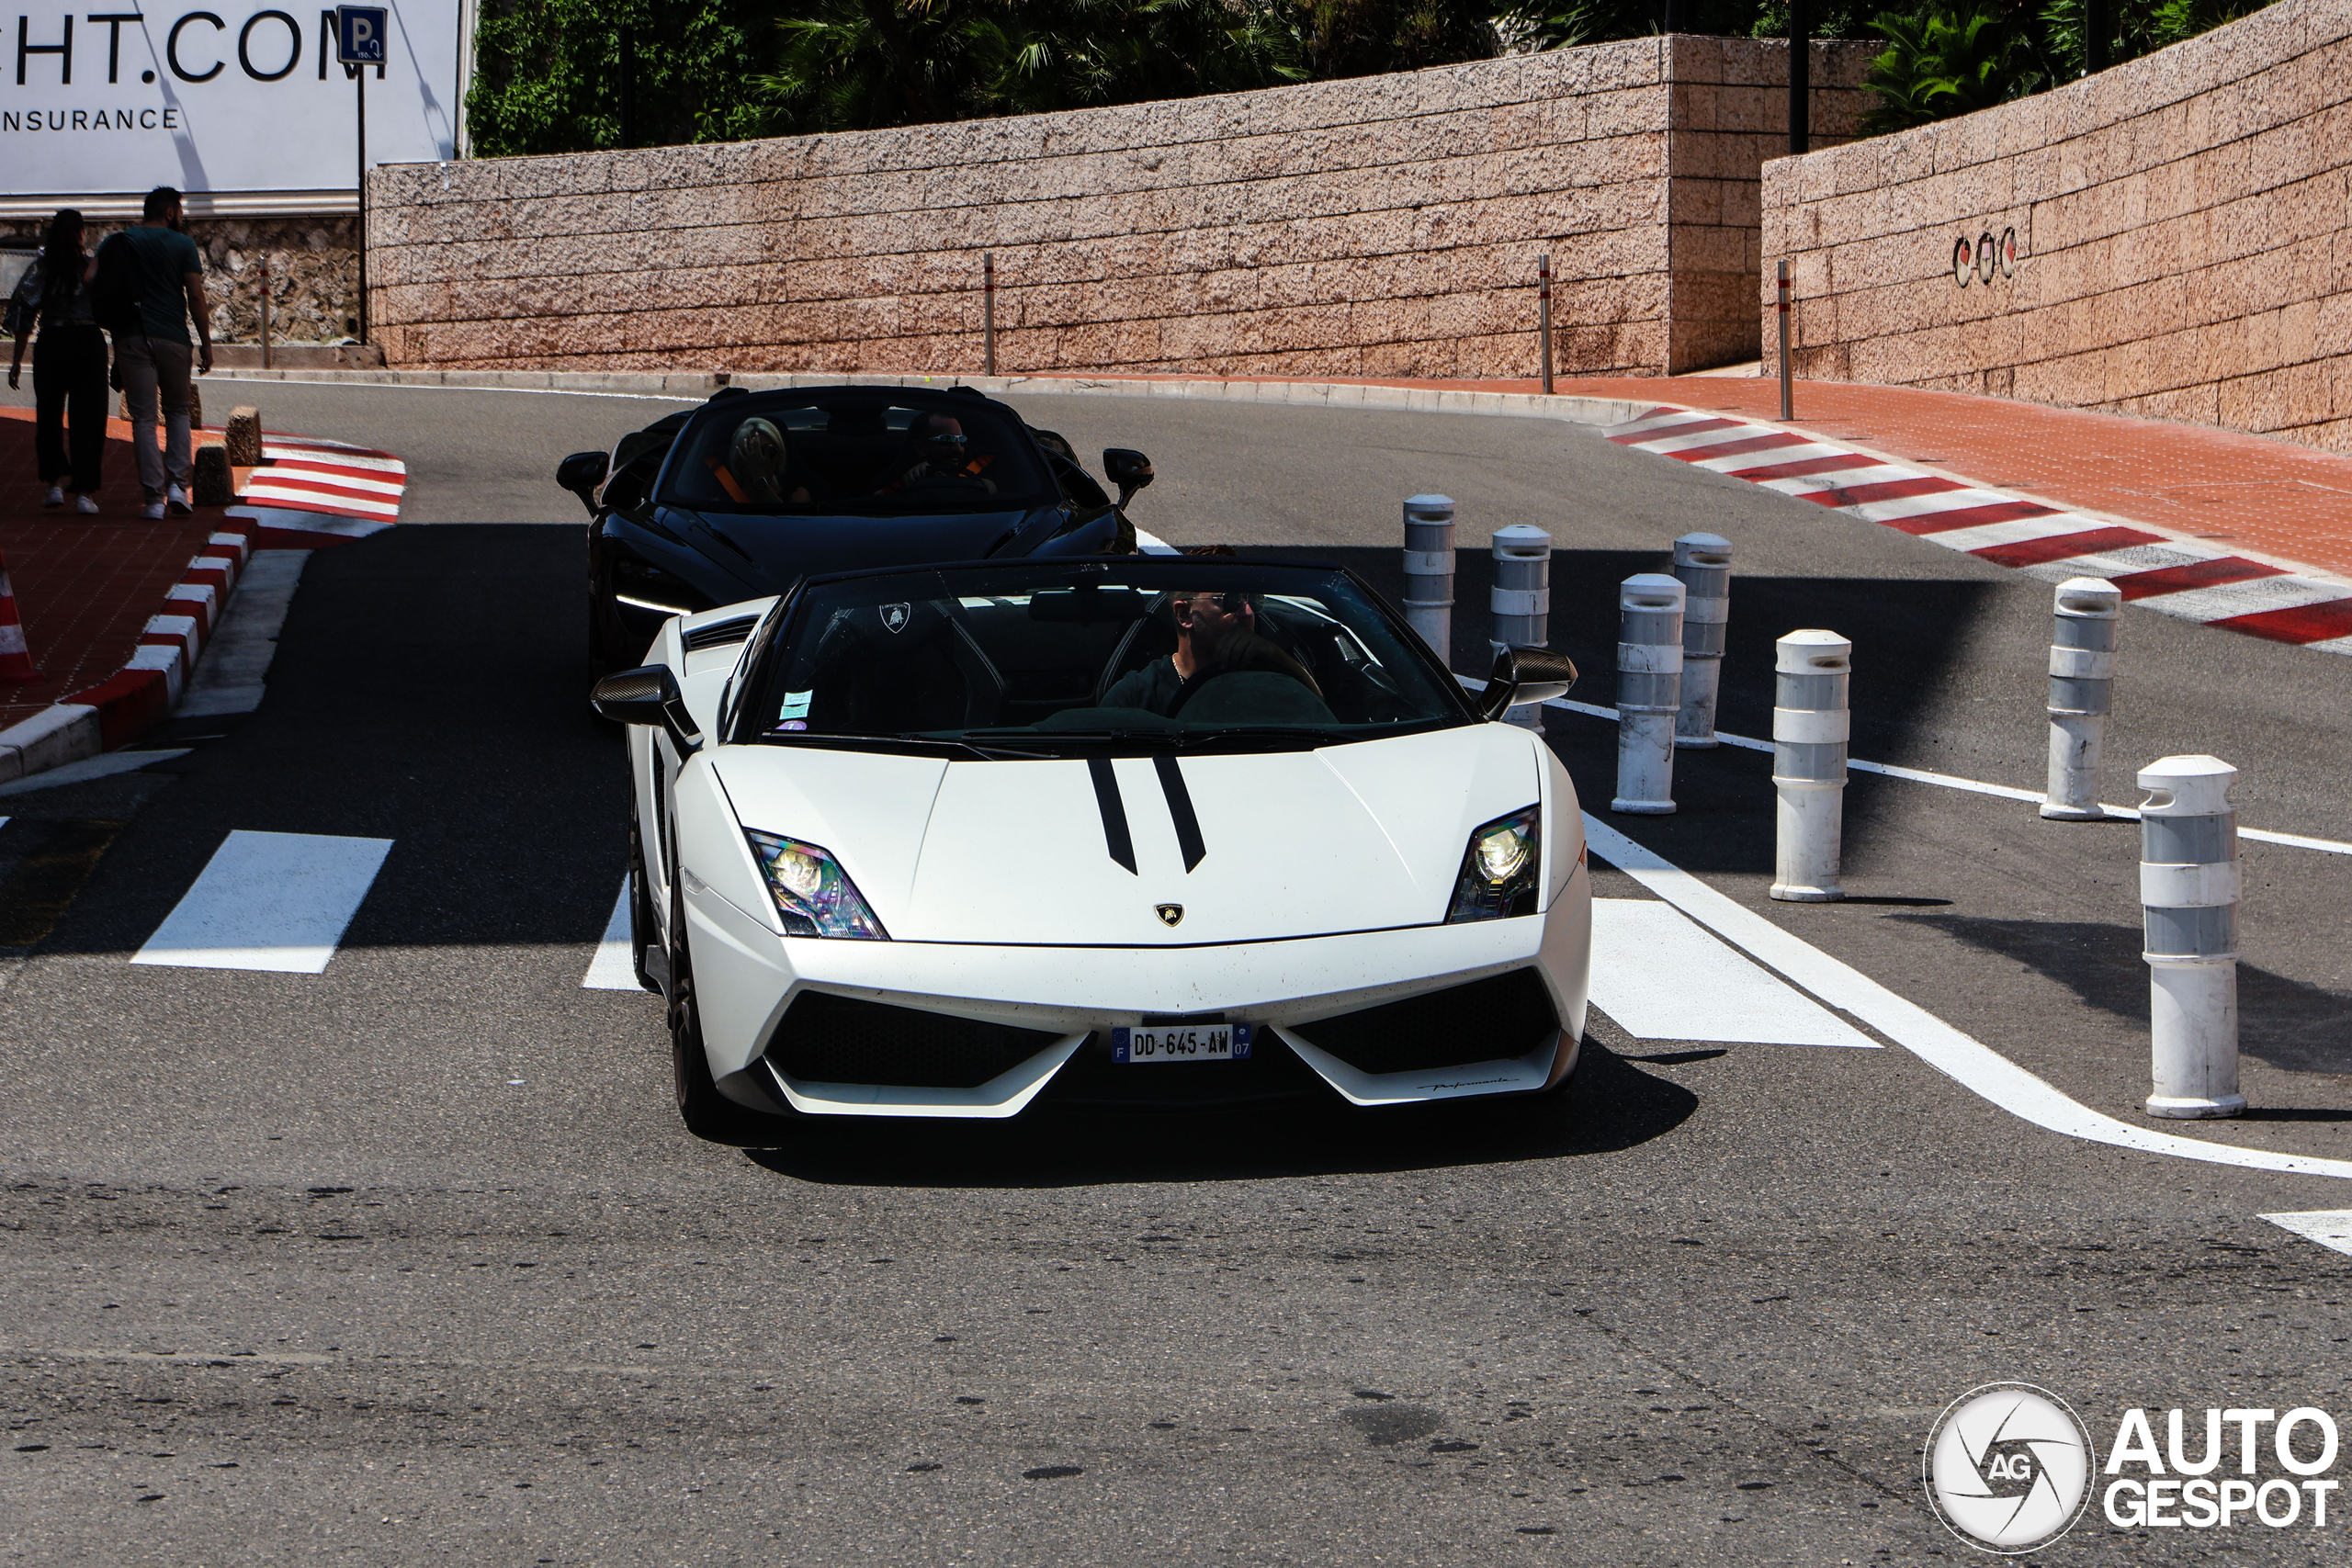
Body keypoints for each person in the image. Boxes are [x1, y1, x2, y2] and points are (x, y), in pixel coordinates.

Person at [94, 186, 212, 521]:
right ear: (171, 212)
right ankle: (177, 487)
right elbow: (196, 297)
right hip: (173, 338)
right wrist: (205, 342)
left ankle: (152, 500)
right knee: (177, 412)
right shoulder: (183, 245)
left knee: (144, 420)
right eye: (181, 210)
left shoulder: (120, 242)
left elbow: (91, 278)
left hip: (131, 337)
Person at [6, 209, 107, 514]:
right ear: (80, 234)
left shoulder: (42, 268)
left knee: (49, 415)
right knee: (88, 417)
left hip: (52, 341)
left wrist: (16, 361)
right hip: (88, 341)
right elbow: (109, 305)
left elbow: (23, 312)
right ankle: (85, 492)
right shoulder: (90, 267)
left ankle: (52, 485)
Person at [1102, 586, 1321, 716]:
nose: (1247, 613)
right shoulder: (1135, 698)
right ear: (1185, 615)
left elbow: (1322, 716)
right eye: (1230, 601)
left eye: (1251, 599)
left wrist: (1276, 656)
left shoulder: (1269, 682)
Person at [878, 413, 995, 495]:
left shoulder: (975, 472)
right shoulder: (897, 483)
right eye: (946, 440)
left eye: (961, 440)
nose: (958, 449)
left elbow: (994, 490)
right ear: (921, 448)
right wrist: (909, 482)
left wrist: (948, 480)